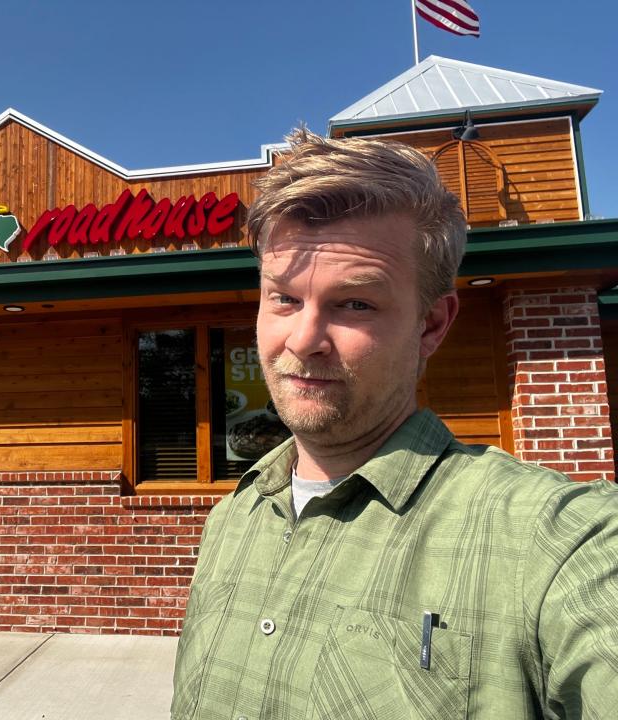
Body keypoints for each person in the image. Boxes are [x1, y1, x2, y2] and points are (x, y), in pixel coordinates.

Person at [171, 129, 618, 720]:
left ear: (432, 324)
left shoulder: (552, 541)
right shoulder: (233, 518)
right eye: (284, 300)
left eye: (355, 303)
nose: (303, 341)